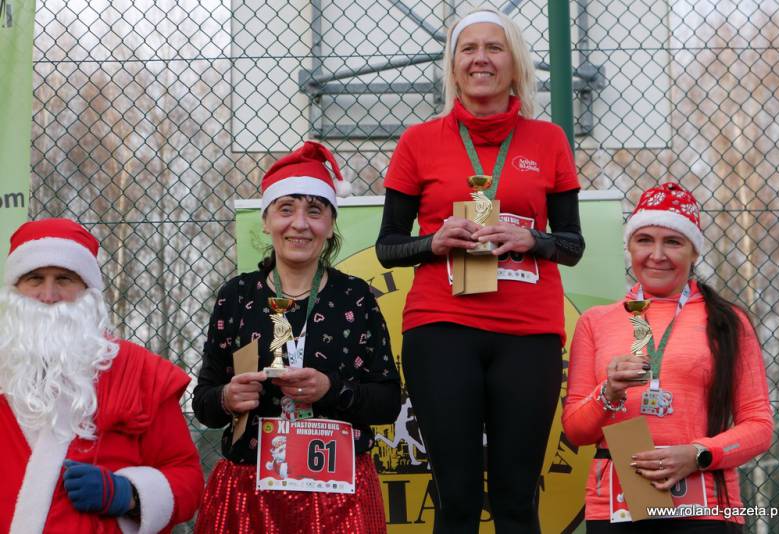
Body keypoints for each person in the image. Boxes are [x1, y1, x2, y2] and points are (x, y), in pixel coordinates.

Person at [375, 7, 585, 533]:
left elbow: (572, 245)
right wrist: (434, 242)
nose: (480, 59)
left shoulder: (549, 140)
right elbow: (388, 247)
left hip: (528, 333)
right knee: (457, 498)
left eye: (494, 48)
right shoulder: (418, 141)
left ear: (515, 64)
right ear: (453, 67)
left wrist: (532, 239)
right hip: (441, 328)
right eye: (468, 49)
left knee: (517, 500)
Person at [192, 141, 401, 533]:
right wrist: (227, 398)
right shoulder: (236, 296)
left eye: (315, 211)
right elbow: (204, 403)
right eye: (286, 209)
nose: (300, 224)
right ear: (266, 220)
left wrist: (331, 389)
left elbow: (388, 403)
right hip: (250, 490)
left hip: (339, 495)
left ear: (331, 224)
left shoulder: (355, 298)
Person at [562, 182, 773, 533]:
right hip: (615, 509)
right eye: (644, 240)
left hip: (706, 510)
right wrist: (608, 392)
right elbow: (576, 430)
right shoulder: (595, 322)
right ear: (629, 247)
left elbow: (759, 427)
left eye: (673, 242)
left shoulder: (728, 321)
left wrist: (697, 454)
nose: (657, 255)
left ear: (694, 252)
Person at [0, 218, 204, 534]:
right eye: (35, 279)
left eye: (64, 279)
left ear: (88, 290)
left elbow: (187, 478)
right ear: (15, 290)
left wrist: (129, 494)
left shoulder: (139, 372)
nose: (49, 295)